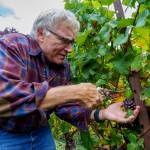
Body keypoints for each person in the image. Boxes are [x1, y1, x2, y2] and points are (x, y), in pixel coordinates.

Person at [0, 9, 140, 150]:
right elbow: (4, 98)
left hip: (41, 131)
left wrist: (102, 113)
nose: (70, 49)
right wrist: (71, 92)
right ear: (41, 34)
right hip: (6, 133)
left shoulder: (62, 65)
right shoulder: (13, 46)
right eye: (65, 41)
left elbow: (63, 107)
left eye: (72, 42)